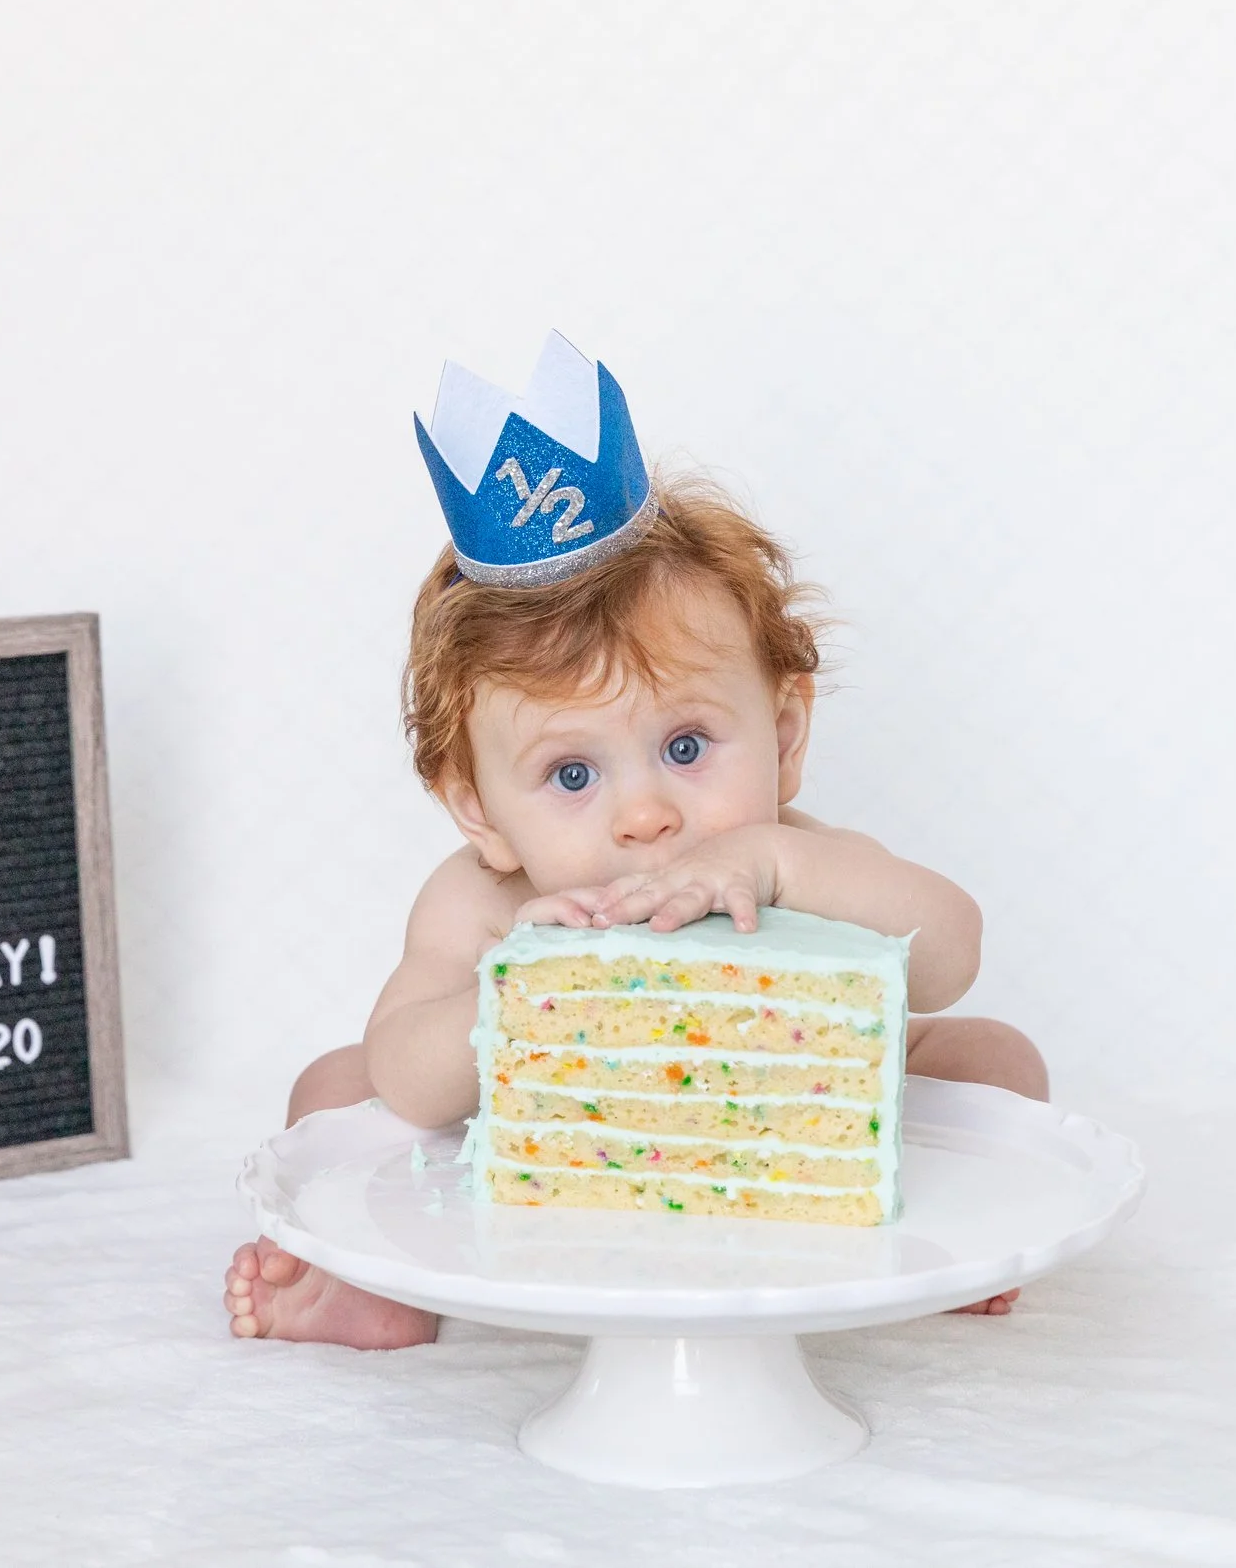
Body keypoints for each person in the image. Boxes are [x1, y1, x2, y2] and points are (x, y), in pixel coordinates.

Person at [223, 338, 1047, 1349]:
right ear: (477, 809)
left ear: (785, 735)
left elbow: (952, 952)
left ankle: (939, 1255)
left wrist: (780, 867)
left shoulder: (792, 853)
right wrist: (517, 984)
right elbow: (407, 1076)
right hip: (555, 1154)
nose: (645, 813)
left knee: (995, 1057)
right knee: (335, 1085)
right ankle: (378, 1286)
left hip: (791, 1136)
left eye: (687, 745)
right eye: (572, 775)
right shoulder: (480, 904)